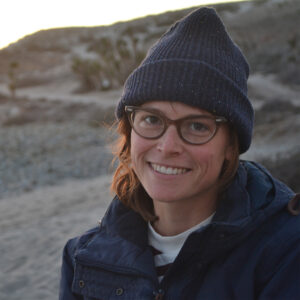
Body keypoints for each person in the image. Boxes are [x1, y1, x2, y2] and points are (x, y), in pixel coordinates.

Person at [59, 7, 300, 300]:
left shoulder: (285, 252)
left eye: (197, 126)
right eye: (151, 119)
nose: (168, 146)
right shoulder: (82, 259)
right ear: (129, 130)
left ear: (230, 146)